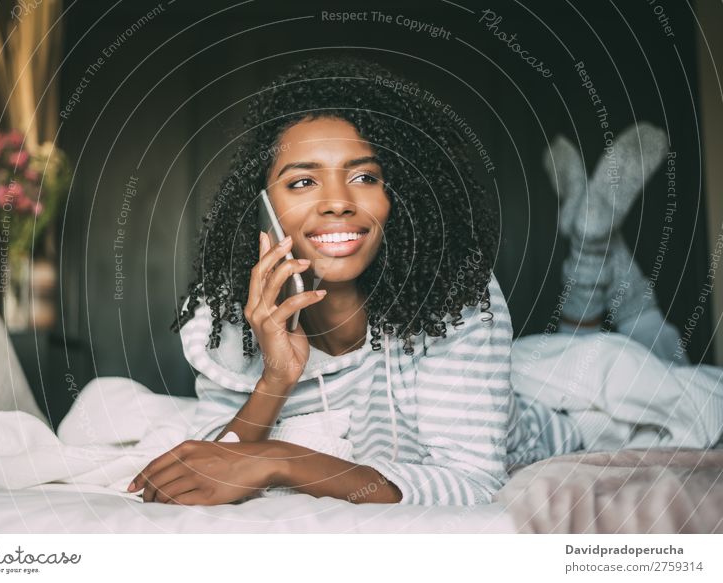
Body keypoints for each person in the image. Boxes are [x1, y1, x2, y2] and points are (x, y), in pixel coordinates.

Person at [127, 56, 722, 506]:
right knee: (604, 346)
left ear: (398, 196)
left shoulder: (450, 293)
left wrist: (283, 460)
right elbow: (213, 460)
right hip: (508, 367)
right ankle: (593, 246)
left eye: (363, 176)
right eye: (302, 182)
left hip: (558, 418)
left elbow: (471, 480)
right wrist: (278, 376)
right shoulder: (226, 319)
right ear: (261, 206)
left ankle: (594, 247)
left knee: (656, 369)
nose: (336, 203)